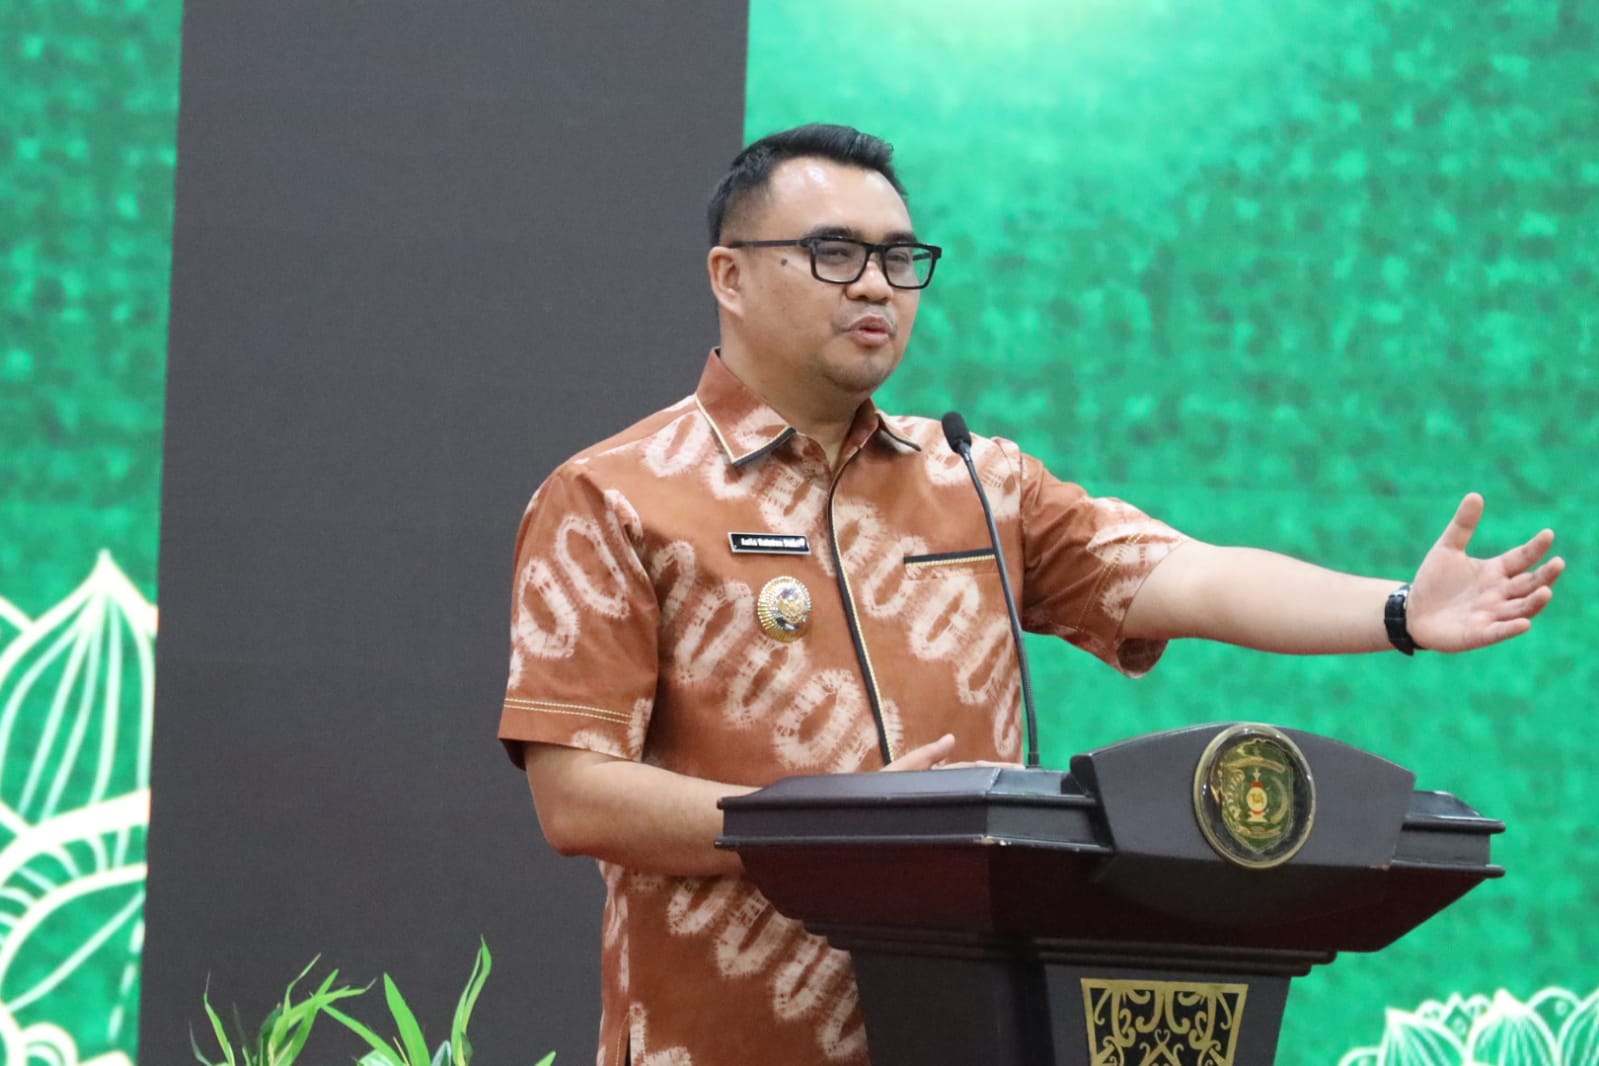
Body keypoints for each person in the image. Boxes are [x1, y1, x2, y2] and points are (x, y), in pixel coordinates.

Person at [497, 124, 1562, 1066]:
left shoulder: (975, 480)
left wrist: (1396, 612)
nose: (876, 286)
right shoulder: (613, 495)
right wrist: (828, 835)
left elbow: (1182, 573)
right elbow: (576, 795)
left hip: (972, 1027)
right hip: (731, 1037)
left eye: (900, 258)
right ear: (730, 276)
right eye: (834, 253)